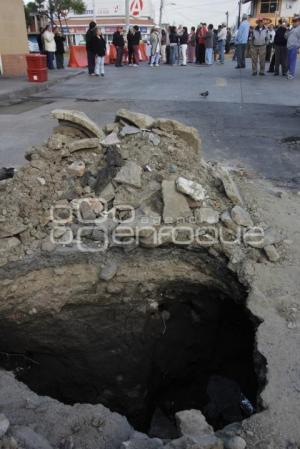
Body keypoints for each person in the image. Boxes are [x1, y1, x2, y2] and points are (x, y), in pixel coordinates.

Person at [286, 15, 300, 79]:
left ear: (299, 21)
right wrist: (287, 31)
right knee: (289, 61)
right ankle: (289, 72)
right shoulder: (292, 28)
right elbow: (286, 36)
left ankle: (291, 74)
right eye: (293, 21)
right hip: (289, 46)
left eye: (295, 21)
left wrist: (297, 46)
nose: (293, 22)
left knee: (292, 61)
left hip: (294, 47)